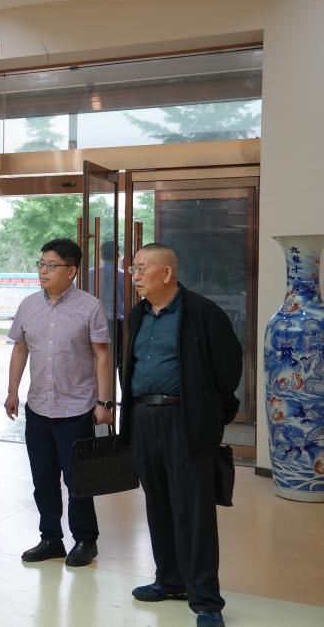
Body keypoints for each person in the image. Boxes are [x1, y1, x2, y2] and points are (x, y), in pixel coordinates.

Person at [120, 243, 241, 627]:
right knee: (157, 504)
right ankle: (169, 580)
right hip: (143, 417)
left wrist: (210, 416)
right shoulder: (137, 315)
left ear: (167, 273)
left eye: (142, 268)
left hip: (184, 420)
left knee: (194, 511)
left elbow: (228, 371)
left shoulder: (202, 313)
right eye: (133, 269)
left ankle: (206, 601)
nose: (136, 276)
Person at [4, 238, 113, 567]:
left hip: (77, 408)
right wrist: (12, 391)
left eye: (51, 265)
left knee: (78, 479)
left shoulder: (90, 307)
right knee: (43, 479)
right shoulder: (28, 306)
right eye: (41, 264)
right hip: (38, 407)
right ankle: (51, 538)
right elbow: (20, 348)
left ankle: (85, 540)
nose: (43, 271)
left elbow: (102, 356)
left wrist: (105, 402)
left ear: (72, 271)